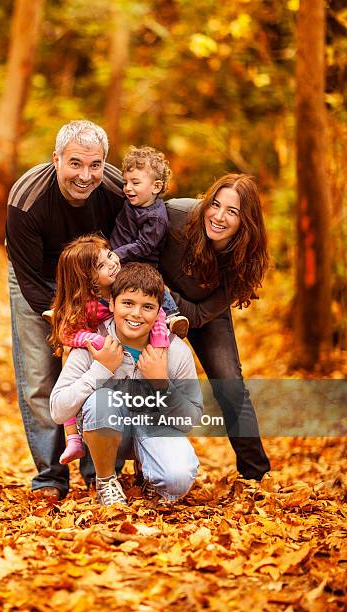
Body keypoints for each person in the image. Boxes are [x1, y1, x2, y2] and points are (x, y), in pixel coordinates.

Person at [6, 120, 125, 501]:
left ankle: (99, 470)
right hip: (38, 280)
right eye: (75, 164)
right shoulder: (26, 200)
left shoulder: (114, 190)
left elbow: (126, 250)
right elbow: (27, 281)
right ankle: (50, 476)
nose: (86, 175)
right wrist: (68, 328)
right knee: (40, 377)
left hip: (96, 282)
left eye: (95, 165)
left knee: (101, 370)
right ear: (55, 159)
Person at [50, 263, 202, 506]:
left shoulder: (175, 350)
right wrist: (100, 370)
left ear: (159, 312)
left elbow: (191, 419)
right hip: (106, 426)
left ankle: (150, 475)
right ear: (111, 304)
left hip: (153, 426)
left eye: (148, 307)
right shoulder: (93, 342)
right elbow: (58, 410)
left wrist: (162, 384)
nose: (136, 314)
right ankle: (106, 480)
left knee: (177, 479)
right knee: (101, 400)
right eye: (128, 303)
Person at [160, 174, 271, 481]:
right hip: (152, 309)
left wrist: (169, 295)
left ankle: (257, 475)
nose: (219, 216)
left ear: (245, 222)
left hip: (207, 315)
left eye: (232, 212)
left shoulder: (244, 259)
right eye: (216, 205)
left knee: (231, 386)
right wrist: (158, 296)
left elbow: (196, 317)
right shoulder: (175, 215)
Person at [49, 234, 171, 464]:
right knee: (70, 364)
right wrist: (93, 341)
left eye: (110, 256)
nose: (113, 263)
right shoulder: (86, 303)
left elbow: (157, 311)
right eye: (102, 266)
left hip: (125, 355)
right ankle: (73, 436)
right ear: (89, 278)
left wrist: (159, 347)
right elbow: (66, 334)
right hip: (99, 355)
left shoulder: (125, 282)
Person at [110, 146, 189, 338]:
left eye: (135, 182)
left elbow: (144, 245)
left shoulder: (156, 217)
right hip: (116, 257)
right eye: (126, 182)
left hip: (141, 263)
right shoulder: (133, 201)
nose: (128, 188)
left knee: (153, 285)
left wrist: (117, 254)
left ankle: (172, 317)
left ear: (156, 187)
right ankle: (67, 312)